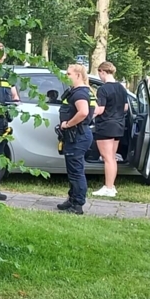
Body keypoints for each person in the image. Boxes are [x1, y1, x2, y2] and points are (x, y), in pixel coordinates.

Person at [56, 63, 93, 215]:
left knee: (76, 172)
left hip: (77, 135)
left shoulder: (80, 93)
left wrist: (68, 124)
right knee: (73, 171)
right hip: (78, 135)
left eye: (69, 73)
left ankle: (77, 205)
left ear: (78, 75)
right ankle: (72, 199)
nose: (66, 76)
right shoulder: (81, 91)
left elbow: (83, 112)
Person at [0, 43, 20, 200]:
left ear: (4, 56)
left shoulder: (8, 74)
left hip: (2, 120)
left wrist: (13, 105)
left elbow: (15, 96)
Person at [92, 61, 128, 197]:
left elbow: (100, 109)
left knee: (107, 158)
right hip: (119, 125)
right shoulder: (121, 88)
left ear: (102, 71)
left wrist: (90, 112)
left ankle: (108, 188)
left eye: (99, 73)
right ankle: (111, 186)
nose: (99, 76)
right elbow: (125, 107)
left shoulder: (103, 89)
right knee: (112, 157)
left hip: (106, 125)